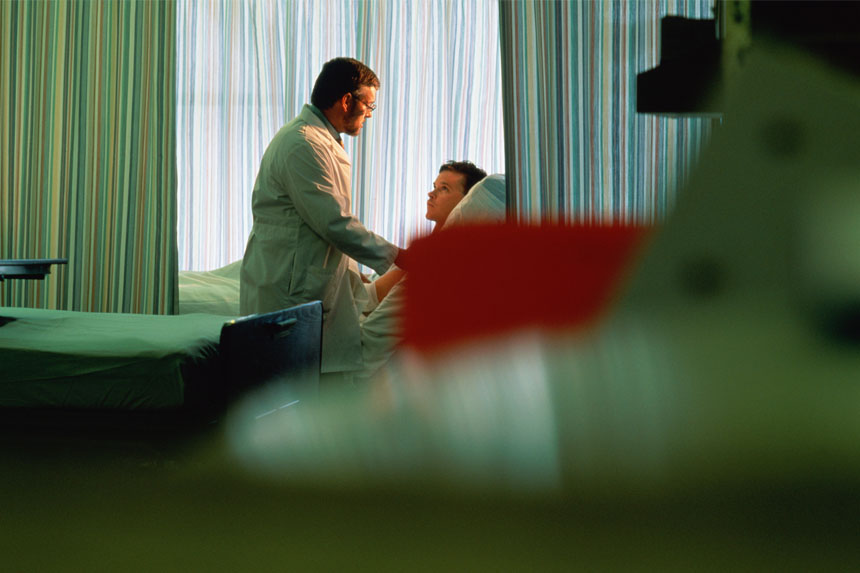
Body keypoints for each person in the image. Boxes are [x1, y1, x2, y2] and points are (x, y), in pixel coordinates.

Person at [240, 57, 405, 385]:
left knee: (312, 382)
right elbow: (335, 224)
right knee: (293, 389)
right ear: (347, 100)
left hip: (307, 280)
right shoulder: (304, 143)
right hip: (291, 288)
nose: (369, 114)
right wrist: (402, 258)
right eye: (369, 106)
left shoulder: (320, 140)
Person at [358, 161, 492, 383]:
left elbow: (374, 297)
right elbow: (376, 287)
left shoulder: (432, 260)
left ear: (465, 203)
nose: (431, 194)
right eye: (434, 186)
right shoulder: (421, 249)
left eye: (444, 189)